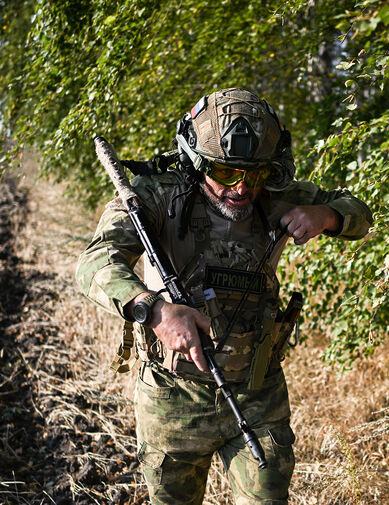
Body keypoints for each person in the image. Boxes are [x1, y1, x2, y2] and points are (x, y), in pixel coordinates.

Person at [76, 88, 373, 504]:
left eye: (255, 174)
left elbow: (360, 212)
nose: (241, 188)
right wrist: (156, 310)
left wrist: (327, 215)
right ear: (197, 163)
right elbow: (95, 264)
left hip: (258, 392)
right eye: (226, 173)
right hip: (173, 397)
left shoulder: (273, 196)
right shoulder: (157, 196)